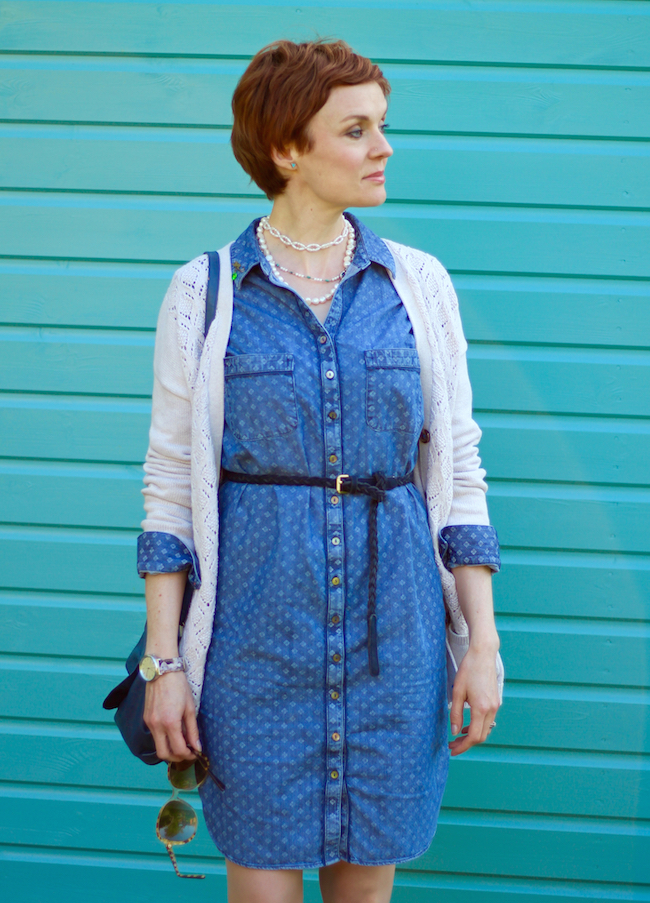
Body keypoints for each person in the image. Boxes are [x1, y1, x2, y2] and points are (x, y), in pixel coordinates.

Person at [137, 39, 501, 903]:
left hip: (398, 640)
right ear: (286, 148)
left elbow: (459, 466)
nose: (383, 148)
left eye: (382, 125)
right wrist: (165, 662)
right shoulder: (208, 290)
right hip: (254, 645)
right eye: (357, 128)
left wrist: (480, 639)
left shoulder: (417, 283)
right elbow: (169, 484)